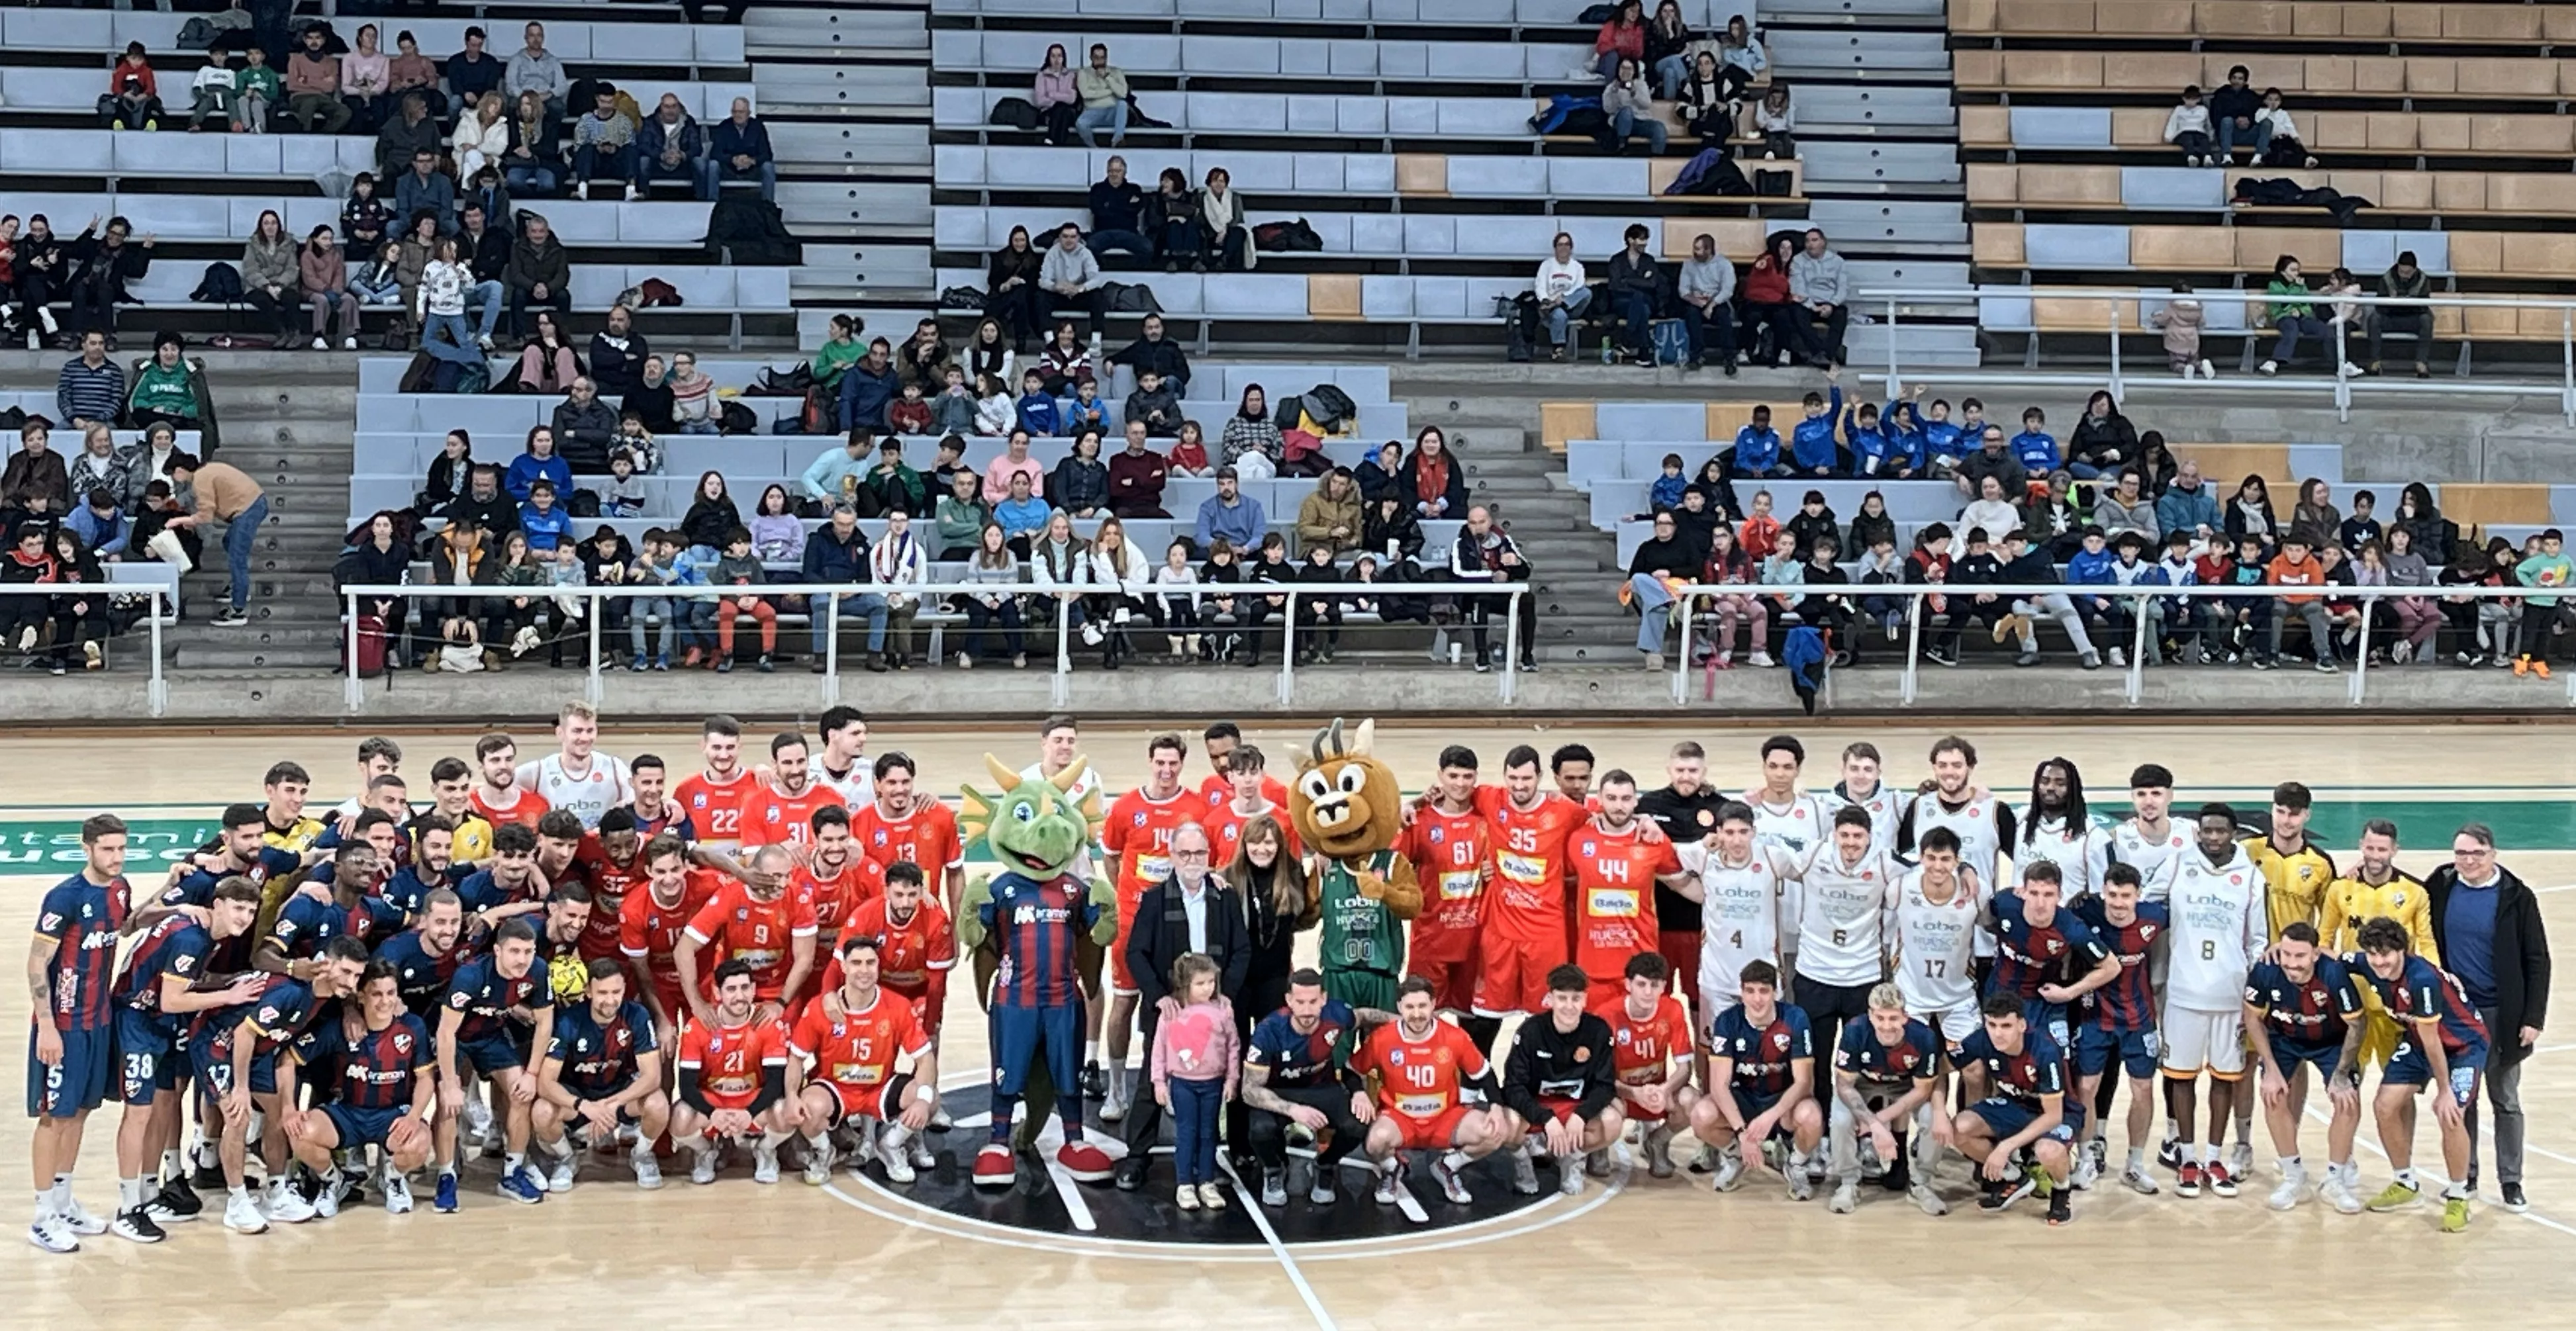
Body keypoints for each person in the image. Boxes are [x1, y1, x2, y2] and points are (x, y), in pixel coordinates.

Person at [2419, 823, 2550, 1212]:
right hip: (2459, 1014)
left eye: (2476, 853)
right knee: (2465, 1097)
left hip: (2504, 1014)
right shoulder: (2441, 885)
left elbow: (2537, 959)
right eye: (2461, 853)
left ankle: (2511, 1181)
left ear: (2492, 854)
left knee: (2505, 1098)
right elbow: (2407, 895)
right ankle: (2467, 1175)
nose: (2468, 861)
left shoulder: (2516, 896)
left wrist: (2533, 1016)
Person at [25, 815, 132, 1252]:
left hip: (98, 1021)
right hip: (63, 1027)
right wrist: (47, 1027)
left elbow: (122, 928)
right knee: (55, 1116)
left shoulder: (121, 889)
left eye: (122, 849)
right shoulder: (65, 897)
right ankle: (41, 1215)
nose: (116, 857)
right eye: (108, 849)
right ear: (87, 848)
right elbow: (36, 964)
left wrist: (169, 901)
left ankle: (64, 1200)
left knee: (82, 1110)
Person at [2146, 802, 2263, 1198]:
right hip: (2182, 993)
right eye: (2207, 831)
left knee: (2225, 1080)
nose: (2213, 837)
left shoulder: (2250, 877)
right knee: (2181, 1077)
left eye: (2221, 831)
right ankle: (2188, 1158)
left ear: (2234, 833)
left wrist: (2252, 991)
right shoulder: (2178, 865)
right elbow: (2147, 905)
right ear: (2198, 832)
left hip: (2229, 997)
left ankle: (2215, 1157)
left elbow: (2258, 940)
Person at [787, 934, 939, 1185]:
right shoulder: (820, 1008)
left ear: (879, 967)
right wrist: (792, 1095)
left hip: (879, 1088)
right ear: (844, 967)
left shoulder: (898, 1006)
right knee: (808, 1108)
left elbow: (925, 1058)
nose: (864, 970)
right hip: (836, 1087)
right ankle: (825, 1152)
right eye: (856, 963)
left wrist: (922, 1101)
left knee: (930, 1098)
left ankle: (891, 1146)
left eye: (870, 963)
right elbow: (795, 1059)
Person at [2241, 921, 2367, 1212]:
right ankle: (2293, 1175)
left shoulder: (2334, 974)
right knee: (2272, 1095)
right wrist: (2270, 1068)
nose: (2292, 964)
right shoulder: (2266, 970)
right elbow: (2252, 1019)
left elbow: (2357, 1024)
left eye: (2300, 956)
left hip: (2332, 1041)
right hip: (2284, 1039)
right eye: (2287, 955)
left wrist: (2341, 1074)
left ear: (2315, 955)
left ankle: (2335, 1179)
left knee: (2347, 1099)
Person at [1352, 977, 1508, 1205]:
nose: (1417, 1014)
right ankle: (1392, 1168)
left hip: (1445, 1117)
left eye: (1423, 1006)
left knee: (1495, 1131)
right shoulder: (1383, 1038)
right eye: (1410, 1007)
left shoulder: (1455, 1037)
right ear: (1399, 1008)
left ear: (1434, 1005)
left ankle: (1448, 1166)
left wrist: (1496, 1107)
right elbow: (1351, 1070)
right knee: (1375, 1142)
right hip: (1399, 1118)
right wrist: (1359, 1093)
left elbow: (1484, 1074)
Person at [1689, 960, 1824, 1197]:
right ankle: (1736, 1155)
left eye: (1764, 991)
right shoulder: (1727, 1021)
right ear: (1741, 992)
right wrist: (1742, 1134)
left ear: (1776, 991)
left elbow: (1804, 1082)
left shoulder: (1795, 1018)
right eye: (1750, 991)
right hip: (1745, 1100)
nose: (1757, 999)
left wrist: (1770, 1116)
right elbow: (1719, 1086)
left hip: (1782, 1103)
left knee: (1811, 1117)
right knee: (1701, 1115)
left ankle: (1796, 1164)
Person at [1241, 968, 1369, 1207]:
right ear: (1289, 1000)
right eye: (1300, 1002)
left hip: (1322, 1088)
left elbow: (1366, 1016)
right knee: (1260, 1130)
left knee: (1358, 1123)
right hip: (1278, 1092)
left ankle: (1326, 1164)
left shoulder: (1338, 1013)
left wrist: (1404, 1022)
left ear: (1324, 998)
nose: (1308, 1010)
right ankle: (1273, 1169)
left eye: (1313, 1002)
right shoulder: (1269, 1030)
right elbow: (1249, 1091)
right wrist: (1293, 1110)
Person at [1951, 992, 2078, 1224]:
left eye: (2006, 1026)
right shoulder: (1982, 1039)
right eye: (1992, 1025)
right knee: (1959, 1128)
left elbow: (2053, 1115)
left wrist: (2005, 1148)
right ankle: (2015, 1178)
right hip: (2015, 1105)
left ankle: (2062, 1190)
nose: (1998, 1033)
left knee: (2047, 1150)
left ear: (2022, 1025)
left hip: (2057, 1112)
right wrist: (1939, 1111)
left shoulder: (2045, 1051)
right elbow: (1938, 1068)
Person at [669, 960, 794, 1185]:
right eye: (731, 989)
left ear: (754, 990)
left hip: (751, 1099)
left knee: (786, 1111)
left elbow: (777, 1083)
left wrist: (749, 1112)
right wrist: (713, 1113)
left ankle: (765, 1151)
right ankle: (706, 1151)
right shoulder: (698, 1027)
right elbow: (686, 1086)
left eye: (745, 988)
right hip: (714, 1100)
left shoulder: (767, 1024)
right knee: (679, 1118)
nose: (740, 996)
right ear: (717, 992)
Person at [1501, 966, 1622, 1197]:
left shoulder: (1598, 1031)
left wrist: (1581, 1116)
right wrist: (1545, 1119)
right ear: (1550, 999)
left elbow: (1605, 1085)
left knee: (1612, 1121)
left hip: (1573, 1106)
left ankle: (1571, 1159)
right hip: (1538, 1107)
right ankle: (1524, 1163)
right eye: (1562, 998)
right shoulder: (1531, 1031)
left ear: (1585, 999)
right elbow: (1513, 1087)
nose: (1569, 1006)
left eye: (1576, 998)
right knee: (1507, 1123)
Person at [1827, 983, 1947, 1215]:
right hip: (1863, 1084)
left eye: (1893, 1018)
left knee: (1933, 1118)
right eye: (1880, 1018)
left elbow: (1923, 1090)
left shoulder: (1923, 1037)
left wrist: (1880, 1120)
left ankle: (1922, 1183)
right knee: (1841, 1118)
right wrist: (1874, 1125)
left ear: (1905, 1017)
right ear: (1870, 1016)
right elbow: (1844, 1085)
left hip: (1906, 1086)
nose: (1886, 1026)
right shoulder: (1855, 1030)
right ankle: (1849, 1182)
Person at [1148, 952, 1239, 1211]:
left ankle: (1207, 1182)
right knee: (1187, 1133)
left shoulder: (1223, 1011)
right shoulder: (1171, 1012)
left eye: (1211, 982)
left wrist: (1232, 1079)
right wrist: (1159, 1082)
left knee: (1209, 1133)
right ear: (1184, 984)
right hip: (1183, 1084)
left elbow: (1234, 1046)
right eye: (1201, 984)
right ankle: (1185, 1184)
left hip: (1213, 1083)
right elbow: (1159, 1049)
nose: (1208, 988)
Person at [162, 453, 264, 627]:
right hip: (252, 503)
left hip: (247, 509)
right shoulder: (207, 470)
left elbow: (205, 516)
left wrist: (179, 521)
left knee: (236, 558)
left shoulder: (201, 479)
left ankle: (238, 610)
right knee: (229, 543)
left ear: (180, 470)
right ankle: (238, 588)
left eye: (173, 475)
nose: (174, 479)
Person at [1450, 506, 1538, 672]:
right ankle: (1482, 656)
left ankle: (1527, 656)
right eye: (1473, 523)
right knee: (1480, 601)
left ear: (1489, 522)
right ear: (1468, 525)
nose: (1478, 526)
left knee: (1528, 600)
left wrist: (1516, 563)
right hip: (1475, 595)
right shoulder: (1461, 544)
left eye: (1482, 522)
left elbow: (1525, 571)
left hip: (1502, 594)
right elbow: (1458, 574)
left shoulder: (1504, 540)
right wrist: (1492, 577)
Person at [1677, 232, 1740, 374]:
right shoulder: (1688, 264)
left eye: (1699, 249)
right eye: (1695, 248)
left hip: (1717, 301)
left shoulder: (1724, 264)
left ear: (1709, 250)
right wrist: (1696, 301)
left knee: (1724, 317)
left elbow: (1728, 290)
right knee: (1691, 315)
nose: (1695, 252)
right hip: (1696, 301)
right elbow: (1683, 290)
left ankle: (1730, 358)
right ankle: (1696, 356)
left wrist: (1711, 305)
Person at [1788, 228, 1850, 368]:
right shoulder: (1798, 260)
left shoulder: (1837, 261)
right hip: (1808, 303)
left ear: (1823, 242)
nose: (1810, 244)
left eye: (1814, 240)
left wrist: (1832, 304)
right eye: (1807, 241)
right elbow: (1797, 288)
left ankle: (1827, 354)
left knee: (1841, 314)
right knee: (1796, 312)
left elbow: (1843, 287)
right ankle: (1818, 352)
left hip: (1830, 302)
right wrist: (1812, 306)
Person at [635, 93, 713, 201]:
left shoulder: (689, 122)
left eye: (674, 106)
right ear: (661, 108)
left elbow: (697, 148)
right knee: (644, 161)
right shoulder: (650, 122)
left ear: (679, 107)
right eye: (667, 107)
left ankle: (702, 199)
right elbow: (643, 146)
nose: (670, 110)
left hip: (683, 165)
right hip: (657, 164)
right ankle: (642, 195)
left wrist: (681, 155)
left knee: (699, 163)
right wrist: (661, 156)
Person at [504, 213, 569, 340]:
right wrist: (533, 286)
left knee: (564, 295)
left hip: (550, 291)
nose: (538, 235)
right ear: (528, 233)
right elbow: (515, 274)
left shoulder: (559, 250)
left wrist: (548, 288)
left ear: (547, 233)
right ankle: (519, 337)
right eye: (534, 231)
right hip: (528, 290)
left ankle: (562, 335)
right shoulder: (517, 248)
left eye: (541, 231)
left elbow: (563, 275)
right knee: (518, 295)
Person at [1533, 231, 1590, 361]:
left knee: (1587, 292)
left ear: (1571, 248)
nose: (1564, 248)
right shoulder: (1547, 265)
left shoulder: (1578, 267)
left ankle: (1562, 304)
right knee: (1559, 314)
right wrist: (1546, 300)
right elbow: (1540, 286)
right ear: (1555, 248)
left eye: (1567, 245)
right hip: (1551, 307)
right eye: (1560, 245)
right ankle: (1558, 348)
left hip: (1572, 307)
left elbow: (1579, 286)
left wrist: (1563, 299)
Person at [285, 27, 350, 132]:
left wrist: (305, 80)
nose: (314, 42)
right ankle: (304, 137)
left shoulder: (331, 62)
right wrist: (321, 81)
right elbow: (292, 85)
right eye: (310, 38)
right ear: (305, 40)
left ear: (323, 40)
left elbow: (329, 88)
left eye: (317, 38)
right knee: (310, 102)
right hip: (300, 97)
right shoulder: (295, 59)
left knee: (345, 112)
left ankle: (323, 136)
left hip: (323, 97)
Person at [712, 98, 777, 201]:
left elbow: (767, 154)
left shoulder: (758, 127)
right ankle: (712, 204)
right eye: (735, 112)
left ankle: (768, 206)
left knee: (768, 167)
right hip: (730, 170)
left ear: (749, 113)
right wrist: (733, 160)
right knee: (713, 166)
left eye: (741, 112)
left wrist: (752, 161)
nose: (738, 115)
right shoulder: (724, 127)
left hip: (752, 169)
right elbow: (715, 154)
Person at [1601, 58, 1668, 156]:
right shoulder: (1612, 87)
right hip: (1620, 123)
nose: (1626, 72)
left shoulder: (1641, 85)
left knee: (1659, 128)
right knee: (1627, 111)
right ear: (1618, 70)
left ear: (1634, 71)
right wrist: (1614, 94)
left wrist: (1634, 93)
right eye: (1623, 68)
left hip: (1640, 121)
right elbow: (1608, 109)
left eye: (1629, 69)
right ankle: (1622, 146)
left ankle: (1656, 159)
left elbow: (1647, 104)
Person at [1074, 43, 1129, 148]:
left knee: (1122, 104)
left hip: (1113, 112)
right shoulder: (1083, 73)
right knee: (1080, 123)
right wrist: (1110, 91)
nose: (1099, 60)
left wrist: (1107, 77)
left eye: (1102, 57)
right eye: (1096, 57)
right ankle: (1093, 147)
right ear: (1090, 57)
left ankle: (1117, 139)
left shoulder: (1116, 72)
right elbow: (1086, 94)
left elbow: (1123, 94)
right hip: (1092, 111)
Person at [1033, 42, 1080, 144]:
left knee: (1062, 109)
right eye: (1053, 56)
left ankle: (1051, 139)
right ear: (1048, 58)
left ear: (1064, 58)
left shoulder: (1071, 76)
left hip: (1067, 112)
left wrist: (1052, 95)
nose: (1056, 59)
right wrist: (1059, 101)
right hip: (1047, 113)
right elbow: (1040, 100)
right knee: (1060, 108)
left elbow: (1072, 99)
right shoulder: (1042, 76)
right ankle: (1060, 143)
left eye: (1059, 56)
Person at [2166, 84, 2213, 165]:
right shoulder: (2179, 109)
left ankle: (2208, 157)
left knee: (2204, 140)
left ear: (2199, 99)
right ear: (2183, 98)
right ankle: (2191, 157)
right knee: (2188, 139)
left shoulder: (2203, 110)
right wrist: (2168, 137)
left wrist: (2210, 136)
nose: (2191, 102)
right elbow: (2173, 122)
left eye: (2194, 99)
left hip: (2199, 132)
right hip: (2183, 132)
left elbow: (2208, 124)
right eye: (2188, 99)